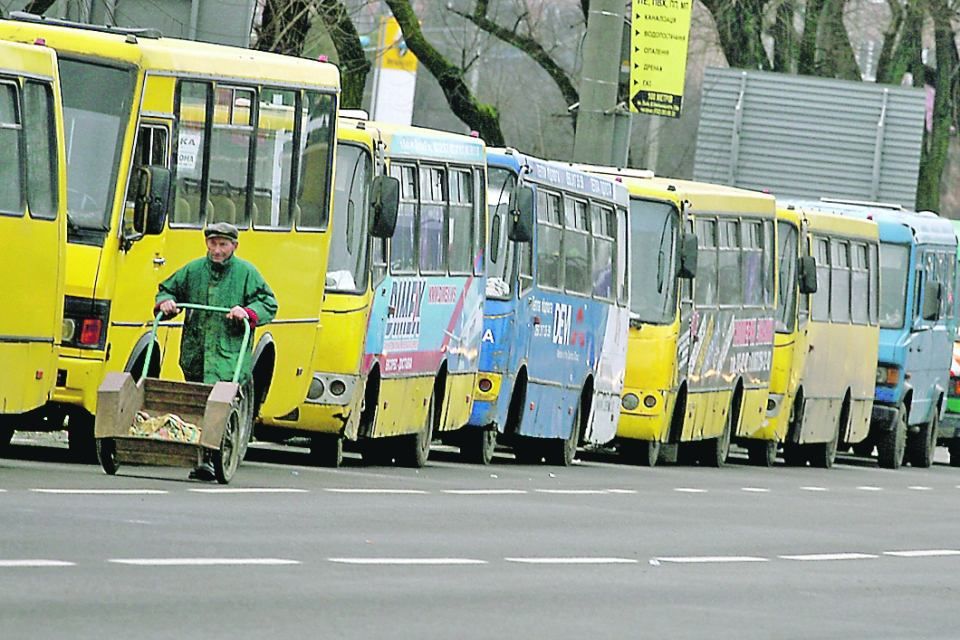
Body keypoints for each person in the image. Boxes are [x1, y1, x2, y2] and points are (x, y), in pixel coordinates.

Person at [155, 222, 278, 480]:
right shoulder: (194, 270)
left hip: (229, 358)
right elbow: (167, 289)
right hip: (196, 354)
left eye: (223, 245)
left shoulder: (246, 273)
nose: (217, 250)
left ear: (234, 246)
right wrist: (165, 303)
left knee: (218, 406)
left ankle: (211, 458)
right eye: (213, 243)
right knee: (197, 405)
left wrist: (247, 312)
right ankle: (198, 457)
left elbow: (268, 302)